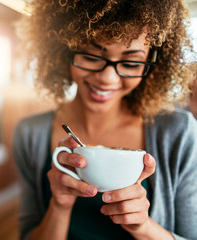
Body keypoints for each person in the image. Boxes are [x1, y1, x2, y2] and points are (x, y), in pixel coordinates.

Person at [13, 0, 197, 240]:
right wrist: (59, 206)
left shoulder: (179, 132)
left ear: (154, 62)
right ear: (62, 48)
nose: (107, 79)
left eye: (131, 63)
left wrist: (143, 226)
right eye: (91, 56)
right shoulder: (30, 133)